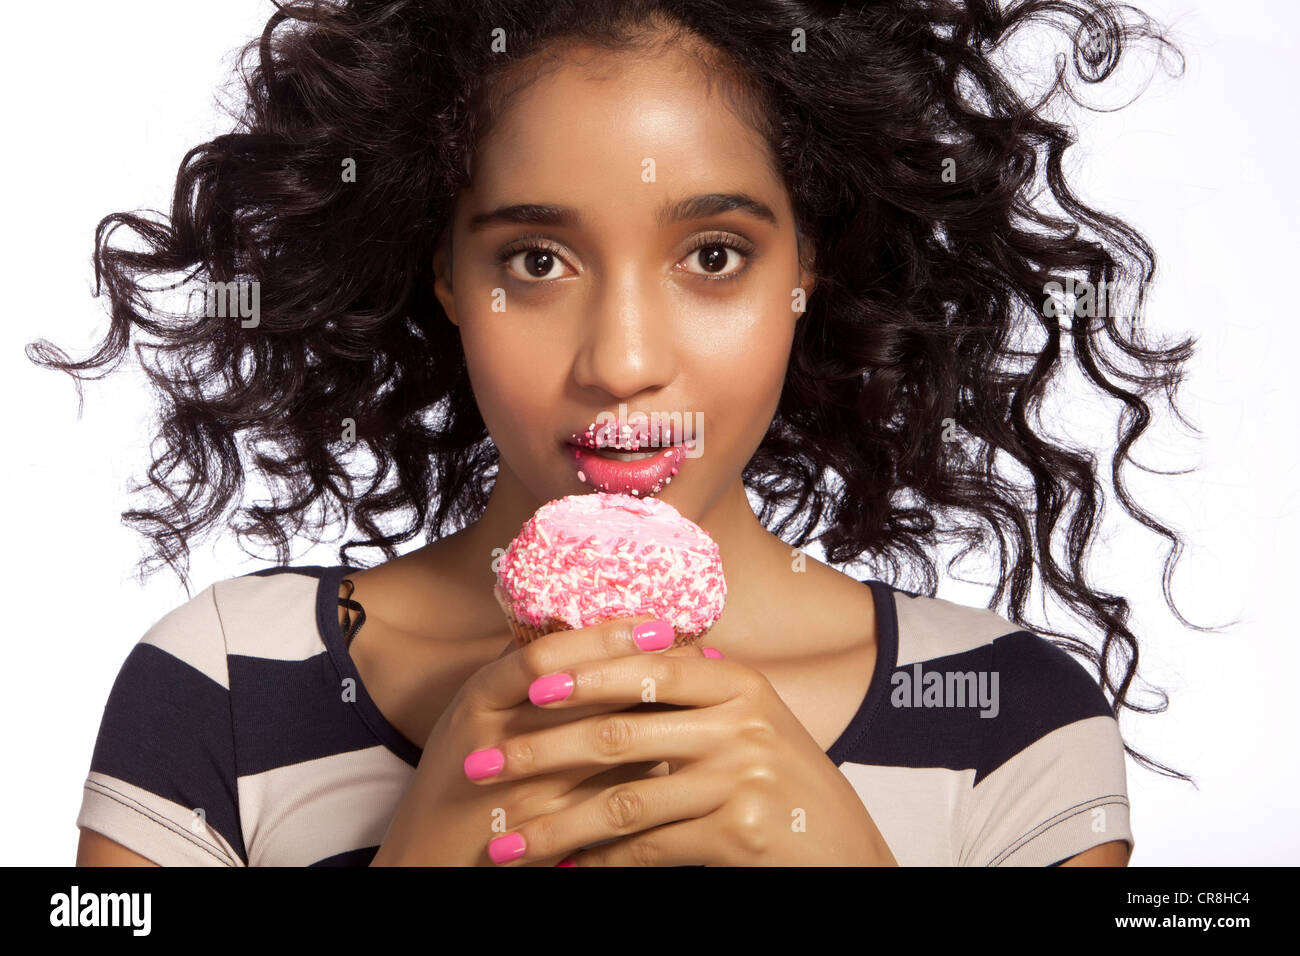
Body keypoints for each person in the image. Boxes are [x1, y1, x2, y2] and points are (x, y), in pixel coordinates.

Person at [36, 0, 1195, 866]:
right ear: (444, 271)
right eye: (534, 261)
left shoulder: (1012, 721)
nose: (623, 361)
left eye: (714, 256)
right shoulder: (226, 685)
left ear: (811, 264)